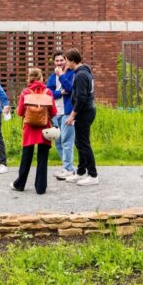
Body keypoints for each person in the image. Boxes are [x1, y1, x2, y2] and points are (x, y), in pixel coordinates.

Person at [11, 68, 56, 195]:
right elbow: (53, 112)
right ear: (41, 77)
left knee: (26, 157)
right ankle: (41, 188)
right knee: (42, 158)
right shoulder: (48, 92)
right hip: (44, 129)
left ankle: (19, 184)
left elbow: (20, 112)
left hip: (29, 128)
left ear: (29, 78)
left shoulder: (25, 92)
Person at [65, 50, 99, 185]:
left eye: (67, 60)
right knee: (79, 142)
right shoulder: (84, 72)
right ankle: (80, 172)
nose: (66, 63)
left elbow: (81, 98)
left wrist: (72, 115)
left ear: (73, 61)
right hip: (86, 111)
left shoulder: (80, 75)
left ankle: (93, 174)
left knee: (83, 143)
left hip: (84, 112)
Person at [46, 51, 77, 181]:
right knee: (58, 142)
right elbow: (48, 93)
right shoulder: (53, 76)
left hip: (67, 112)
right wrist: (60, 92)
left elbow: (70, 88)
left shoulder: (71, 74)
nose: (59, 63)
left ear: (66, 61)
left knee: (67, 141)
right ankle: (67, 167)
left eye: (61, 60)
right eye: (57, 61)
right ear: (54, 62)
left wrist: (61, 76)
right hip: (55, 113)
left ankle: (69, 169)